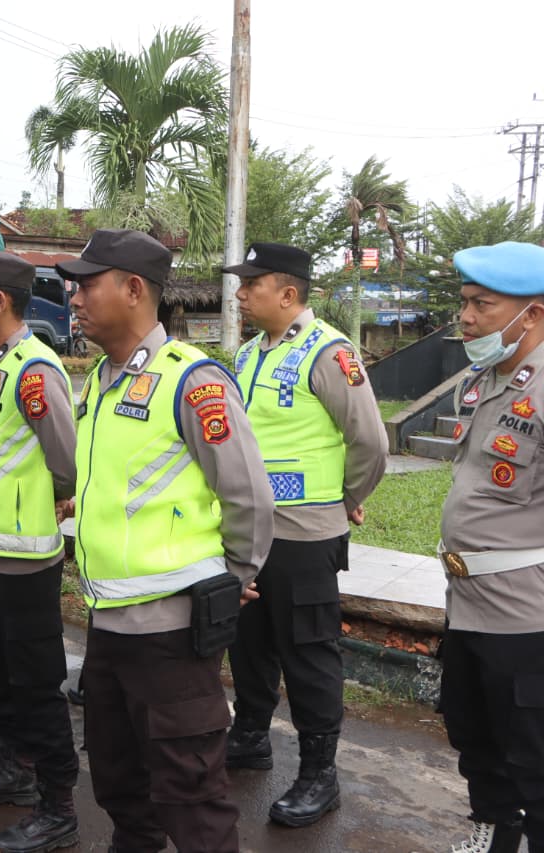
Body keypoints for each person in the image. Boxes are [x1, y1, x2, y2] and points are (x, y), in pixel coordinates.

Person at [59, 230, 275, 853]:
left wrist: (231, 581)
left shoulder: (192, 381)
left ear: (133, 289)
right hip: (108, 621)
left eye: (87, 285)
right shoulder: (102, 379)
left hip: (171, 632)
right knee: (119, 779)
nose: (74, 298)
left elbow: (249, 497)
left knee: (191, 796)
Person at [222, 243, 389, 827]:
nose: (241, 293)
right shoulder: (248, 353)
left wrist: (346, 498)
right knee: (248, 641)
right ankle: (250, 735)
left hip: (305, 535)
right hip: (249, 532)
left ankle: (320, 772)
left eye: (251, 284)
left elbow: (370, 442)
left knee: (307, 651)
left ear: (288, 293)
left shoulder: (330, 352)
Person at [0, 250, 80, 853]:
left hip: (25, 556)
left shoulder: (34, 369)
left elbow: (65, 460)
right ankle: (16, 766)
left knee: (37, 684)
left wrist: (51, 498)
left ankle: (57, 805)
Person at [436, 241, 544, 853]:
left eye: (482, 304)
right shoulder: (486, 378)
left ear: (532, 314)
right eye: (465, 303)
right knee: (474, 737)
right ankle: (494, 835)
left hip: (525, 614)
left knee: (533, 754)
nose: (466, 317)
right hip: (466, 602)